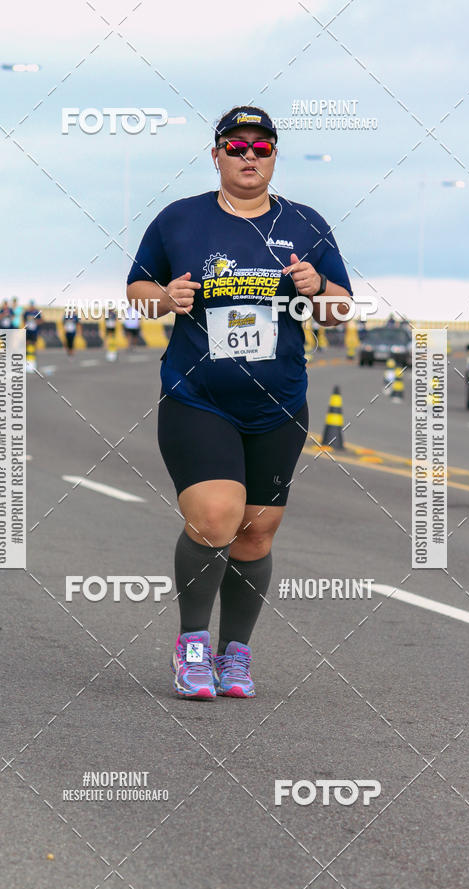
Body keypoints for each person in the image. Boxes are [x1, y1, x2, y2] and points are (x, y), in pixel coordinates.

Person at [127, 105, 352, 700]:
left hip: (278, 403)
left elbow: (339, 309)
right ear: (217, 154)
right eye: (236, 146)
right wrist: (165, 297)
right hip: (197, 396)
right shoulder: (180, 220)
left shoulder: (306, 223)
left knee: (256, 533)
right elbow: (137, 290)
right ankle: (192, 645)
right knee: (215, 517)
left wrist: (319, 289)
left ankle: (235, 655)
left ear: (274, 156)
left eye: (261, 147)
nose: (249, 156)